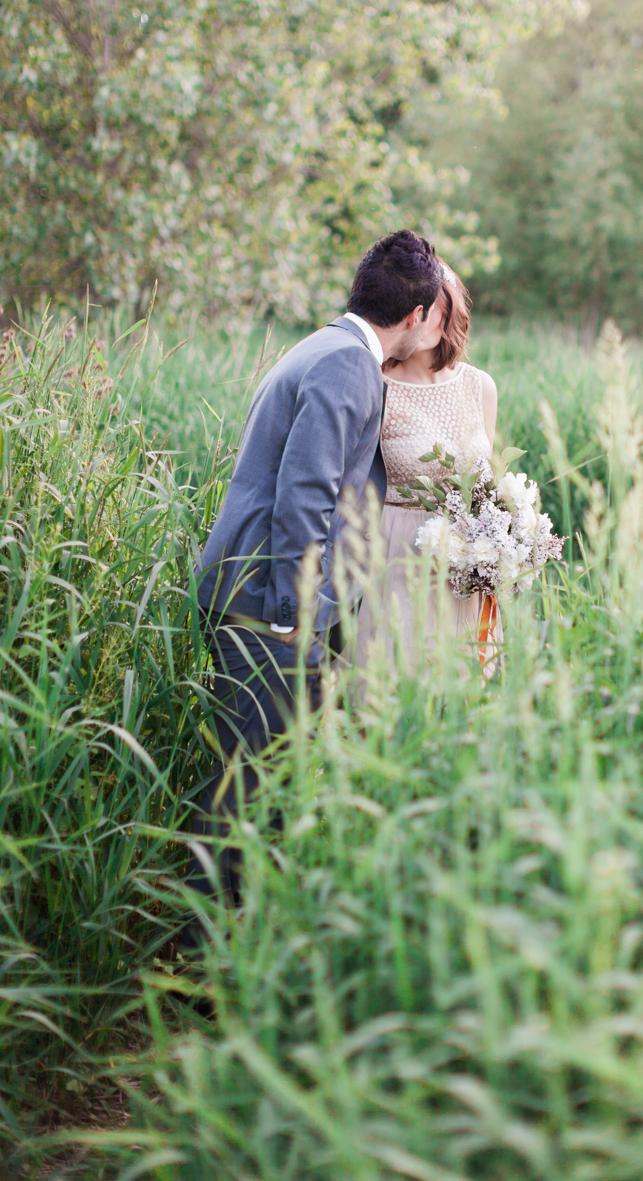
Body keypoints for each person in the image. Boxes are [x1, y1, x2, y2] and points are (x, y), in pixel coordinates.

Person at [188, 230, 442, 916]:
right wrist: (295, 611)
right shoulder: (346, 367)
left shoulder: (325, 346)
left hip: (256, 593)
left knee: (259, 778)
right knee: (243, 786)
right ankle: (197, 959)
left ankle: (239, 936)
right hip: (265, 602)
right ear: (415, 317)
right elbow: (306, 494)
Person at [354, 261, 502, 676]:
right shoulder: (376, 385)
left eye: (433, 305)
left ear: (450, 311)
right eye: (415, 305)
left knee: (461, 692)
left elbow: (487, 483)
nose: (420, 314)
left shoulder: (480, 387)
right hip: (395, 557)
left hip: (463, 570)